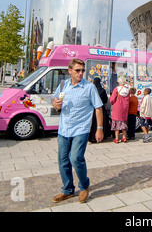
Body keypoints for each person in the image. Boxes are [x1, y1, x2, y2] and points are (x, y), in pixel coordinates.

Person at [52, 58, 104, 204]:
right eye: (77, 70)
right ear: (70, 71)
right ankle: (67, 190)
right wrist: (56, 104)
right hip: (64, 129)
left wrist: (99, 129)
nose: (81, 73)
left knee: (75, 158)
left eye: (82, 70)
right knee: (63, 161)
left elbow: (98, 108)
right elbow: (55, 102)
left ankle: (84, 185)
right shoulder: (63, 85)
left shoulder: (89, 87)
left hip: (81, 129)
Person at [109, 76, 130, 143]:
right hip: (125, 108)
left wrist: (112, 102)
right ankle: (124, 137)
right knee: (123, 123)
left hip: (117, 108)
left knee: (116, 123)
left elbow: (112, 99)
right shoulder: (127, 90)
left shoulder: (116, 89)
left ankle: (117, 138)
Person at [89, 77, 109, 143]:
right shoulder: (102, 90)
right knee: (101, 122)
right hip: (101, 108)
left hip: (92, 109)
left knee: (93, 123)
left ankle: (92, 137)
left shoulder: (92, 90)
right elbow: (105, 100)